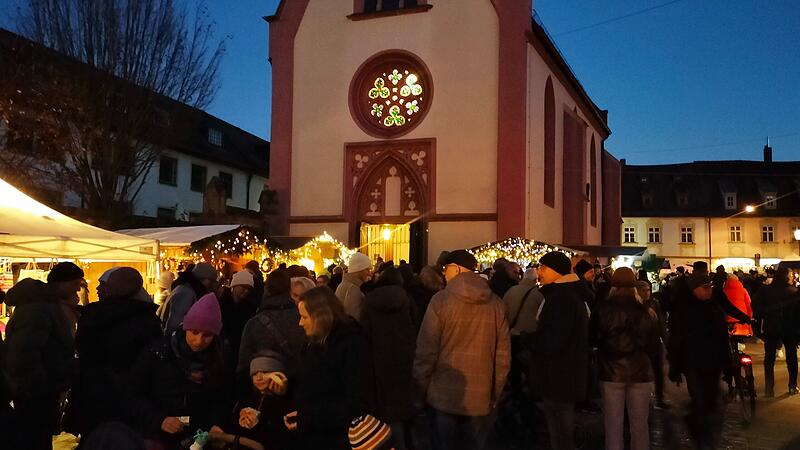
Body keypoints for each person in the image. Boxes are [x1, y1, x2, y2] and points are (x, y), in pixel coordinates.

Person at [414, 250, 510, 450]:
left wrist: (420, 389)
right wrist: (495, 392)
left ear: (456, 269)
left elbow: (426, 351)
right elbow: (502, 357)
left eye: (445, 269)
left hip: (443, 392)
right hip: (480, 393)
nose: (443, 273)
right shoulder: (496, 304)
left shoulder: (440, 301)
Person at [128, 293, 227, 447]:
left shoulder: (218, 357)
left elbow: (219, 397)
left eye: (207, 335)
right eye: (194, 332)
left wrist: (216, 423)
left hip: (198, 438)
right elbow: (134, 395)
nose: (199, 340)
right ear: (185, 327)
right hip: (157, 437)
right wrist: (159, 420)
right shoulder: (159, 353)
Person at [3, 262, 84, 450]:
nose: (78, 289)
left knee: (39, 436)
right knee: (34, 436)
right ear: (60, 283)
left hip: (43, 386)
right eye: (74, 284)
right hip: (36, 389)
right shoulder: (39, 308)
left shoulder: (50, 305)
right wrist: (34, 385)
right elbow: (24, 351)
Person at [73, 267, 162, 435]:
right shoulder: (146, 319)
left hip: (95, 395)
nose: (98, 289)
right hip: (133, 397)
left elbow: (83, 354)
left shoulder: (92, 316)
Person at [292, 286, 375, 450]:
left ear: (320, 317)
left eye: (304, 317)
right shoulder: (315, 342)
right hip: (316, 435)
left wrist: (309, 416)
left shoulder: (351, 345)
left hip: (337, 439)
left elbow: (357, 403)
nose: (300, 323)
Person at [523, 251, 589, 450]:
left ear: (555, 271)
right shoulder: (567, 294)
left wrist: (526, 339)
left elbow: (553, 340)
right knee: (560, 426)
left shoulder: (562, 298)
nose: (539, 272)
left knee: (560, 428)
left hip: (558, 374)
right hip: (565, 372)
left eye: (542, 267)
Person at [595, 268, 657, 450]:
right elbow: (654, 346)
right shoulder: (646, 311)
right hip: (640, 372)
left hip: (611, 372)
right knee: (640, 425)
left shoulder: (603, 310)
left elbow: (593, 338)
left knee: (613, 425)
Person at [668, 271, 730, 449]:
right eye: (705, 287)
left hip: (713, 363)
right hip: (692, 363)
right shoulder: (683, 310)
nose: (709, 290)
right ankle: (703, 439)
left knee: (711, 401)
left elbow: (722, 338)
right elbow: (676, 340)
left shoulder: (714, 309)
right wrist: (675, 366)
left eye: (710, 287)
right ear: (694, 289)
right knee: (700, 400)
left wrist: (727, 365)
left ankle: (701, 430)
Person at [361, 267, 416, 450]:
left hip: (379, 359)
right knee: (402, 410)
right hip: (404, 359)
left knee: (387, 410)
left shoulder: (369, 302)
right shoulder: (407, 300)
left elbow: (365, 333)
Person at [239, 270, 308, 385]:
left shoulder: (255, 323)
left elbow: (243, 367)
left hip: (264, 388)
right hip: (298, 386)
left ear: (267, 289)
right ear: (289, 289)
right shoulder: (304, 319)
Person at [753, 267, 800, 397]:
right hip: (789, 328)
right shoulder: (793, 292)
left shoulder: (765, 290)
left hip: (771, 327)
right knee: (791, 357)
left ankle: (769, 388)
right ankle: (792, 385)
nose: (792, 278)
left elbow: (756, 306)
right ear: (786, 277)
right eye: (791, 275)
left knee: (769, 358)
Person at [233, 353, 294, 449]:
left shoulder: (287, 402)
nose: (258, 378)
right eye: (254, 373)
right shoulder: (245, 399)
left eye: (265, 372)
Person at [219, 270, 258, 404]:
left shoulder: (249, 307)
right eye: (243, 287)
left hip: (241, 350)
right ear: (234, 286)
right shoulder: (222, 304)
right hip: (225, 351)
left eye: (248, 289)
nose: (245, 292)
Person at [637, 280, 669, 409]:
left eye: (648, 290)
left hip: (655, 342)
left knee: (658, 372)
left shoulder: (654, 304)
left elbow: (661, 323)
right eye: (643, 290)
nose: (646, 293)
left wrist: (665, 340)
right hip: (642, 345)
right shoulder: (635, 305)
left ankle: (659, 398)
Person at [162, 262, 218, 334]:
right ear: (205, 279)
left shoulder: (189, 289)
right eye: (212, 281)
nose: (213, 285)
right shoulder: (186, 293)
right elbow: (174, 325)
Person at [336, 252, 373, 322]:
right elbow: (354, 318)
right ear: (358, 270)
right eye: (367, 269)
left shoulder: (346, 284)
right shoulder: (352, 289)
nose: (369, 273)